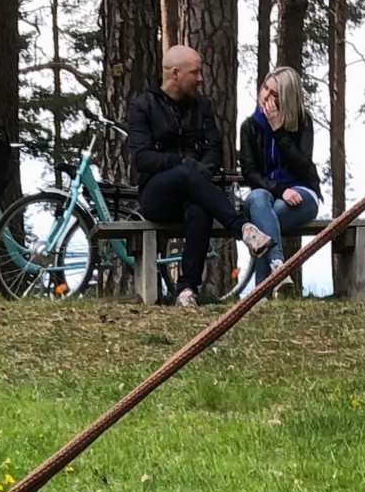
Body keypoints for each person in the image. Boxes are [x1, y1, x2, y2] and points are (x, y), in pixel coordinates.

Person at [125, 46, 273, 308]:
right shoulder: (143, 106)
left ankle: (186, 290)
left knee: (200, 210)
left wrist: (203, 168)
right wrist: (184, 163)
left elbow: (214, 149)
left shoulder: (202, 106)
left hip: (195, 192)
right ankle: (242, 228)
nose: (201, 78)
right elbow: (142, 158)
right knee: (184, 173)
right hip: (156, 196)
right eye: (195, 72)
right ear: (175, 73)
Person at [237, 65, 322, 292]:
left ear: (286, 98)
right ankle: (278, 267)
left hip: (302, 193)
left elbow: (304, 167)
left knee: (264, 225)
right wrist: (280, 189)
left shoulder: (303, 122)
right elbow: (250, 172)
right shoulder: (249, 127)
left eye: (274, 94)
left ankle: (261, 292)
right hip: (266, 194)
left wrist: (278, 131)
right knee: (258, 200)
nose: (266, 96)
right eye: (265, 88)